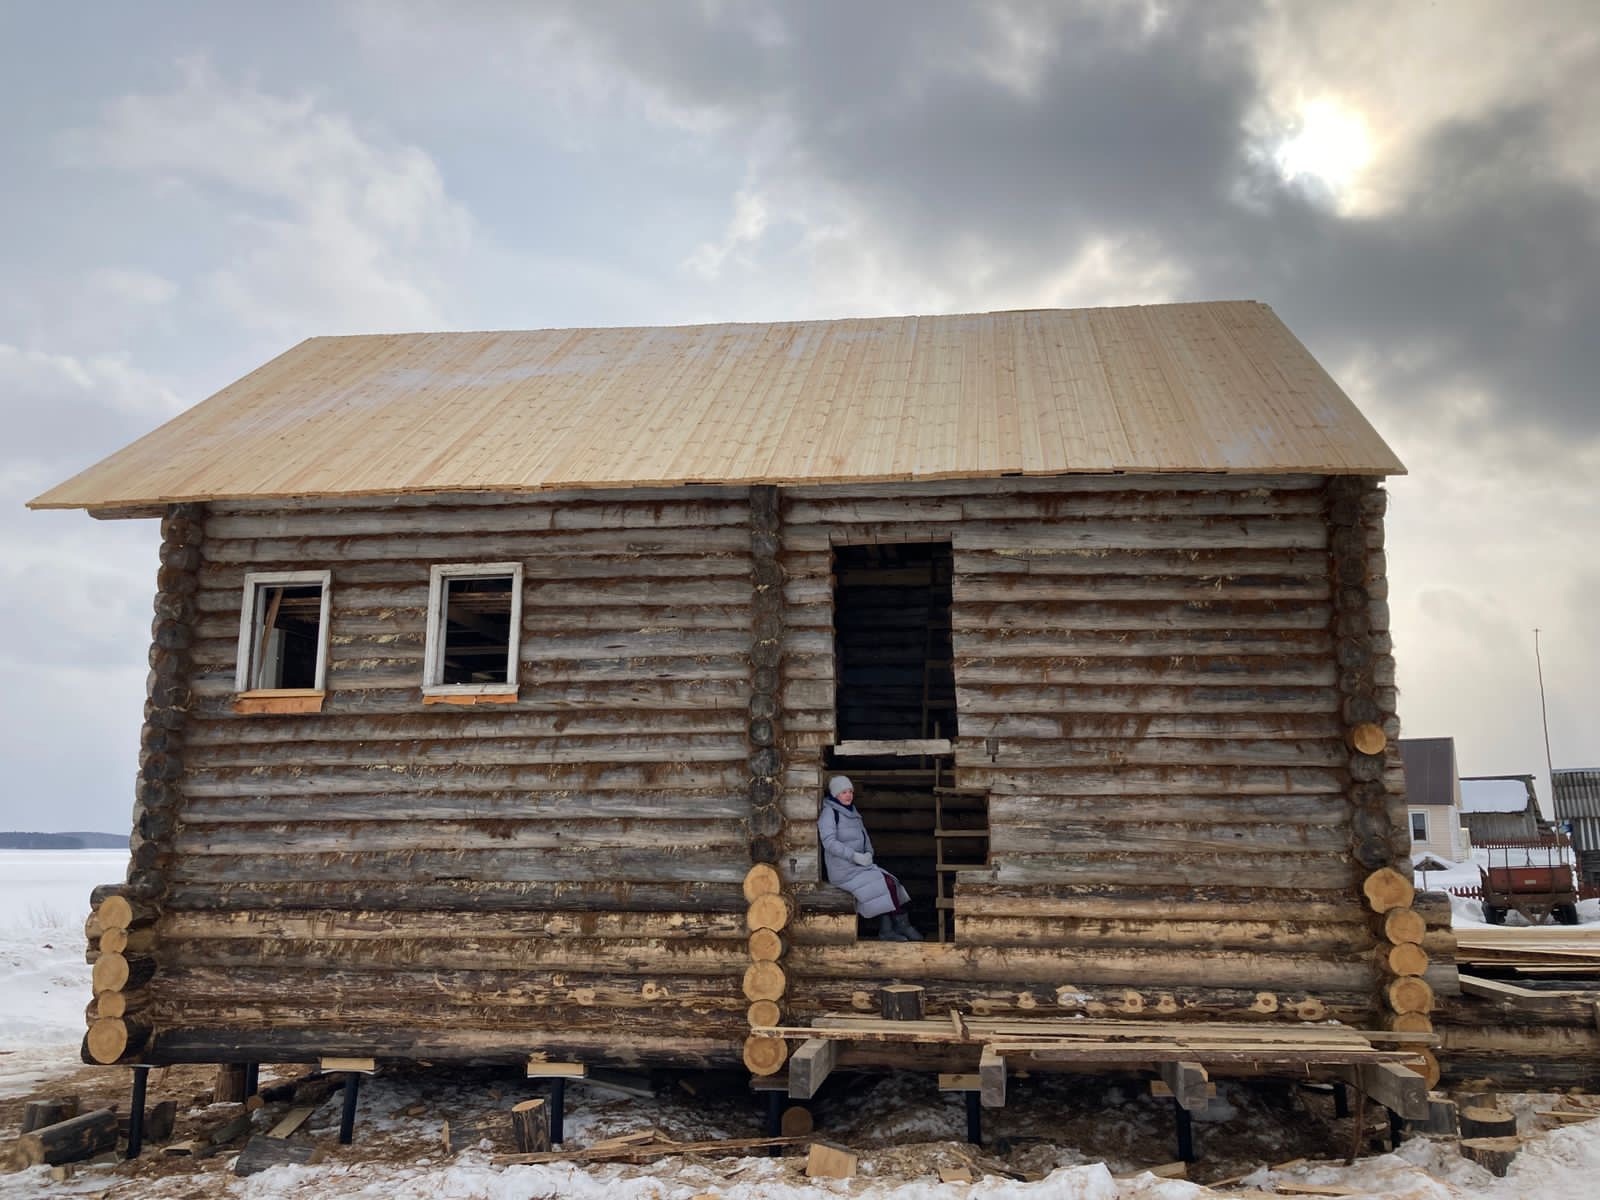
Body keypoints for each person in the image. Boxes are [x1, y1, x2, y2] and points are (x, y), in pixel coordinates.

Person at [818, 775, 923, 941]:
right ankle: (902, 926)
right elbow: (829, 843)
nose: (848, 795)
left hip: (860, 866)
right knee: (885, 884)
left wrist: (868, 853)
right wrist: (854, 856)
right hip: (843, 871)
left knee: (891, 882)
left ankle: (887, 930)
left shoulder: (852, 811)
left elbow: (865, 837)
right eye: (844, 792)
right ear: (835, 794)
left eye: (850, 791)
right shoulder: (829, 813)